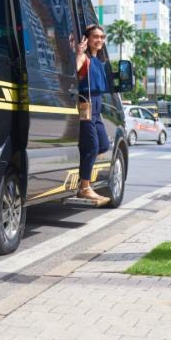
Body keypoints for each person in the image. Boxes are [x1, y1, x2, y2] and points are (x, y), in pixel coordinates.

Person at [75, 24, 111, 206]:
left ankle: (82, 175)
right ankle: (85, 187)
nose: (99, 40)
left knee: (103, 145)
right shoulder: (85, 58)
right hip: (86, 105)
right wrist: (79, 53)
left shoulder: (99, 62)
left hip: (97, 107)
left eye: (102, 37)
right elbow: (75, 69)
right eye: (95, 36)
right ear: (87, 39)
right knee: (92, 146)